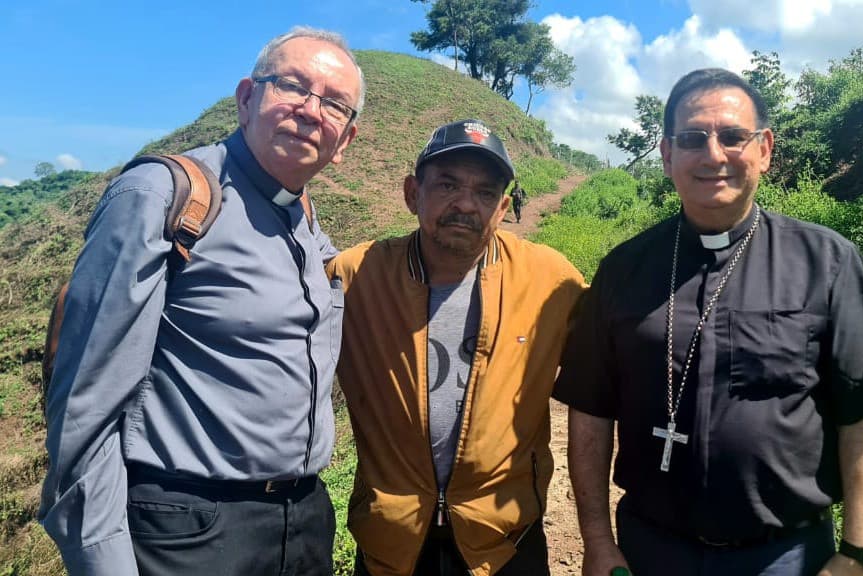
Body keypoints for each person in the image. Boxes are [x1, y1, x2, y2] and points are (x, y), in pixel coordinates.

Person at [554, 68, 863, 576]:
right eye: (692, 139)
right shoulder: (623, 269)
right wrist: (596, 540)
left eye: (732, 136)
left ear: (764, 150)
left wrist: (860, 553)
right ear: (667, 155)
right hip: (650, 550)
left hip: (786, 556)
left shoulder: (827, 263)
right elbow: (590, 412)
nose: (713, 154)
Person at [38, 26, 365, 576]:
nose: (312, 111)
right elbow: (84, 406)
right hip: (190, 530)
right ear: (246, 98)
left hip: (302, 523)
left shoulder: (305, 221)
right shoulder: (164, 196)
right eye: (292, 86)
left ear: (346, 141)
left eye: (334, 104)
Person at [326, 119, 586, 576]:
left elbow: (610, 369)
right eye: (447, 185)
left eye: (485, 192)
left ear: (502, 207)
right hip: (392, 542)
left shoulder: (551, 280)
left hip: (504, 542)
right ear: (412, 193)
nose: (466, 204)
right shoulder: (355, 277)